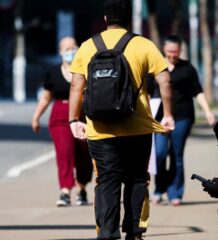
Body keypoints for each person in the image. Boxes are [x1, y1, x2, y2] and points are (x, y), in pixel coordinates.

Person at [68, 0, 174, 239]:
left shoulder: (87, 47)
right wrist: (167, 114)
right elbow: (165, 81)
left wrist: (74, 120)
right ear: (130, 20)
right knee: (137, 180)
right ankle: (135, 233)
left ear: (106, 19)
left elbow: (76, 85)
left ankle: (107, 232)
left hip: (100, 129)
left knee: (106, 181)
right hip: (138, 128)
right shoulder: (144, 45)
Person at [148, 35, 215, 206]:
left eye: (176, 52)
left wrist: (207, 111)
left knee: (176, 155)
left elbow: (197, 91)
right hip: (159, 118)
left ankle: (175, 192)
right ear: (164, 50)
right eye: (170, 51)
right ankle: (159, 188)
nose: (173, 55)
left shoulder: (187, 69)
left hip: (182, 117)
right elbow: (147, 92)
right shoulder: (155, 66)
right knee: (160, 153)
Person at [31, 36, 93, 207]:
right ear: (60, 52)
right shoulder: (52, 72)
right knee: (65, 152)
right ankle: (65, 190)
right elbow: (46, 98)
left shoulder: (86, 70)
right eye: (66, 49)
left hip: (82, 115)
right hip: (60, 116)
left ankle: (82, 188)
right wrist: (36, 117)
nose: (70, 52)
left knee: (84, 154)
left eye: (73, 48)